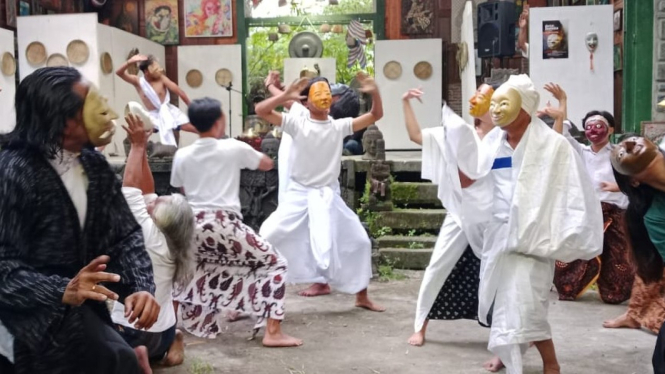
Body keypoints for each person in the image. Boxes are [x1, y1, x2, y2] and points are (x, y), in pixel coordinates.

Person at [0, 67, 160, 374]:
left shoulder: (94, 165)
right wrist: (61, 289)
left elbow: (124, 235)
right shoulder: (13, 172)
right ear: (59, 119)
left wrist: (140, 287)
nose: (107, 113)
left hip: (83, 312)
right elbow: (3, 267)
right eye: (90, 105)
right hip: (27, 321)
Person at [454, 75, 603, 374]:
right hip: (499, 236)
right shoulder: (492, 142)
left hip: (533, 240)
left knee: (526, 303)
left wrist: (564, 233)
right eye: (493, 104)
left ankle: (552, 363)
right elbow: (470, 180)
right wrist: (453, 154)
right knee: (502, 299)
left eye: (503, 104)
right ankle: (506, 352)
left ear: (525, 108)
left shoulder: (553, 146)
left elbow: (572, 193)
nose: (495, 110)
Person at [170, 97, 302, 347]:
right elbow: (266, 163)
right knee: (275, 264)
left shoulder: (182, 155)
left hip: (191, 224)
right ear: (220, 122)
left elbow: (182, 188)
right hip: (224, 223)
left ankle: (170, 325)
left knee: (191, 269)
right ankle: (272, 332)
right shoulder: (231, 147)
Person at [255, 73, 385, 311]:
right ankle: (256, 294)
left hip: (328, 195)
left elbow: (376, 115)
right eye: (318, 93)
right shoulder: (298, 123)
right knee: (268, 236)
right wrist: (282, 94)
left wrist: (375, 91)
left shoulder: (338, 125)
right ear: (307, 102)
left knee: (360, 241)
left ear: (332, 100)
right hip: (299, 195)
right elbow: (262, 111)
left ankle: (361, 296)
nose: (325, 95)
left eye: (327, 92)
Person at [401, 84, 495, 348]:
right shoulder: (457, 134)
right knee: (437, 266)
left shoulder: (505, 138)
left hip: (491, 217)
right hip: (459, 213)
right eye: (476, 94)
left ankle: (514, 331)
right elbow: (416, 135)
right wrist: (405, 102)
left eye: (484, 96)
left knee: (499, 272)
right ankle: (420, 325)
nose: (476, 98)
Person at [112, 113, 194, 367]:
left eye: (157, 203)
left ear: (160, 218)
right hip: (163, 332)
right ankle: (165, 348)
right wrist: (144, 148)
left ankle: (137, 359)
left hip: (130, 331)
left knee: (95, 337)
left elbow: (130, 189)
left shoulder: (146, 233)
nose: (153, 200)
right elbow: (147, 191)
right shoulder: (172, 241)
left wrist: (137, 146)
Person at [542, 84, 635, 304]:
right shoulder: (580, 151)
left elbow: (637, 179)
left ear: (611, 129)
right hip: (585, 211)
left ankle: (615, 292)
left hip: (615, 211)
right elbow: (560, 137)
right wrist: (563, 101)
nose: (593, 130)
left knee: (619, 255)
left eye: (599, 126)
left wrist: (619, 187)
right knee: (573, 251)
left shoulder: (620, 152)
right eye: (589, 126)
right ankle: (568, 286)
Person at [609, 137, 665, 373]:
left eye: (635, 140)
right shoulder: (655, 215)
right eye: (621, 152)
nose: (629, 145)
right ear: (633, 181)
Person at [116, 54, 197, 147]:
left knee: (194, 128)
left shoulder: (162, 79)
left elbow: (180, 92)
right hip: (153, 115)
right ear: (146, 71)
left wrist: (193, 108)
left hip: (168, 112)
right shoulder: (138, 81)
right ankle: (134, 153)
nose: (159, 70)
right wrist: (130, 62)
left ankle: (213, 140)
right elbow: (119, 73)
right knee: (135, 131)